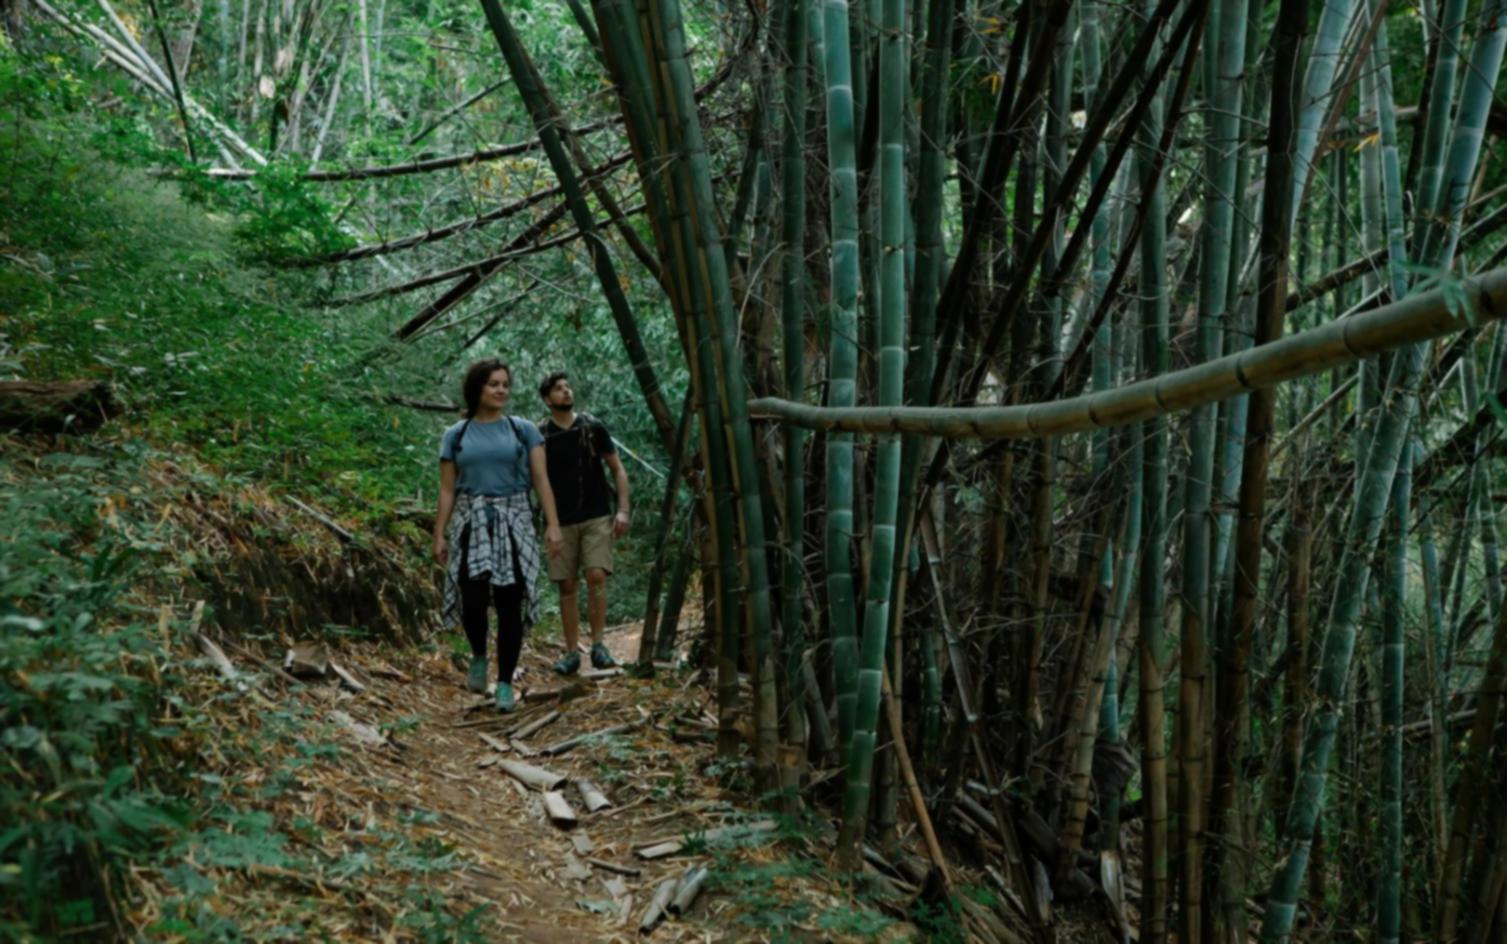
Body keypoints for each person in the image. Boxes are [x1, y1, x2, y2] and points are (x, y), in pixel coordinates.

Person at [434, 359, 563, 712]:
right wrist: (440, 534)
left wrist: (552, 525)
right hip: (470, 518)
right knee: (472, 598)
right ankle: (478, 654)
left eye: (505, 384)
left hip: (514, 518)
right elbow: (447, 490)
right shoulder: (456, 435)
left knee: (510, 603)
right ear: (478, 388)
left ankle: (504, 683)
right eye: (494, 384)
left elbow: (541, 480)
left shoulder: (522, 431)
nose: (501, 390)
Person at [536, 371, 630, 675]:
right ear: (547, 399)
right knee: (566, 583)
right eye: (558, 389)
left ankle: (599, 644)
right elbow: (538, 480)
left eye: (567, 386)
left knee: (596, 575)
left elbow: (617, 469)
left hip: (596, 513)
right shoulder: (542, 435)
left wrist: (623, 509)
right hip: (560, 520)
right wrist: (547, 523)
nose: (566, 392)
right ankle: (571, 651)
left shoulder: (592, 427)